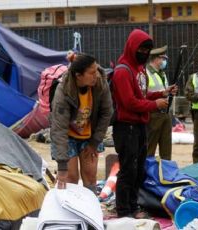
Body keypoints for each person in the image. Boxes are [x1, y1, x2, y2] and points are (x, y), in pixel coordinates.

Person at [111, 29, 174, 218]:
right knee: (128, 170)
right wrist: (155, 105)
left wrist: (161, 93)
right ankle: (123, 210)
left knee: (139, 170)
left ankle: (133, 206)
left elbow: (142, 95)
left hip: (139, 126)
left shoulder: (139, 70)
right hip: (126, 127)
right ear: (132, 47)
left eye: (148, 50)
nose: (145, 54)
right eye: (142, 50)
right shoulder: (122, 71)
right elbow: (129, 102)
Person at [50, 53, 113, 192]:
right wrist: (61, 167)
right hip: (67, 137)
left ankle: (90, 208)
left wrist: (95, 142)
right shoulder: (63, 91)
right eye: (91, 73)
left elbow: (107, 112)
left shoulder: (100, 84)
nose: (95, 75)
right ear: (78, 75)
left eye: (96, 70)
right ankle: (68, 208)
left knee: (90, 176)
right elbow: (59, 128)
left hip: (90, 135)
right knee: (70, 177)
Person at [146, 45, 177, 160]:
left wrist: (170, 91)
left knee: (166, 149)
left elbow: (161, 90)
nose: (164, 61)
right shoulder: (146, 73)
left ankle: (166, 174)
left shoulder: (162, 73)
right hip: (153, 114)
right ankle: (148, 174)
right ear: (155, 59)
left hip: (165, 113)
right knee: (150, 148)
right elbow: (144, 95)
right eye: (163, 58)